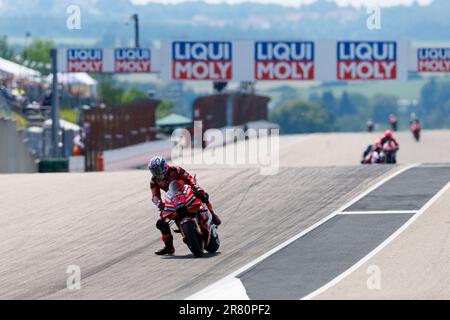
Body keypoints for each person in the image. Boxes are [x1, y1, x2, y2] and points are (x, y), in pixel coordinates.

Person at [148, 156, 222, 256]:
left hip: (186, 191)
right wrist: (159, 204)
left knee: (203, 195)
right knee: (161, 222)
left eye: (157, 169)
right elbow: (155, 195)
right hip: (173, 198)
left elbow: (189, 178)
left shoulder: (176, 170)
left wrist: (196, 188)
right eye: (153, 171)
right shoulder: (154, 180)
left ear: (164, 166)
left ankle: (213, 215)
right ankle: (169, 247)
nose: (156, 173)